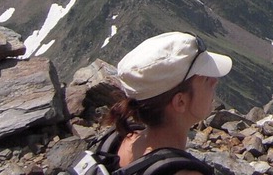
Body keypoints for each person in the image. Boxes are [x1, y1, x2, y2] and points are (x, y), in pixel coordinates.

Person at [99, 32, 233, 175]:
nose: (215, 80)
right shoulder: (184, 173)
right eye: (206, 79)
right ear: (180, 102)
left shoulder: (116, 140)